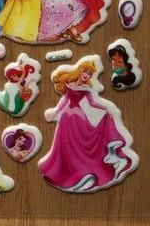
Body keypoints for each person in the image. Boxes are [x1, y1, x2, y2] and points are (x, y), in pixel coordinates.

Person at [38, 60, 138, 191]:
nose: (86, 75)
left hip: (78, 117)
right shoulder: (70, 85)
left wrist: (106, 109)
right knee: (64, 145)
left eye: (89, 74)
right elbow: (65, 100)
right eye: (85, 72)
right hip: (66, 118)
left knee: (80, 143)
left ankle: (84, 172)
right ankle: (67, 171)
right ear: (79, 71)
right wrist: (56, 112)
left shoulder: (86, 89)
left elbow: (92, 103)